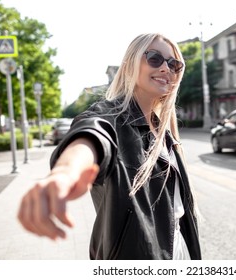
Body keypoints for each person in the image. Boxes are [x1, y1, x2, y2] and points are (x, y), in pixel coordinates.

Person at [18, 33, 202, 260]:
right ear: (130, 64)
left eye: (174, 64)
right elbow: (92, 135)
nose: (166, 68)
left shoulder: (164, 131)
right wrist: (65, 172)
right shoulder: (111, 116)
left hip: (178, 249)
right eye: (154, 58)